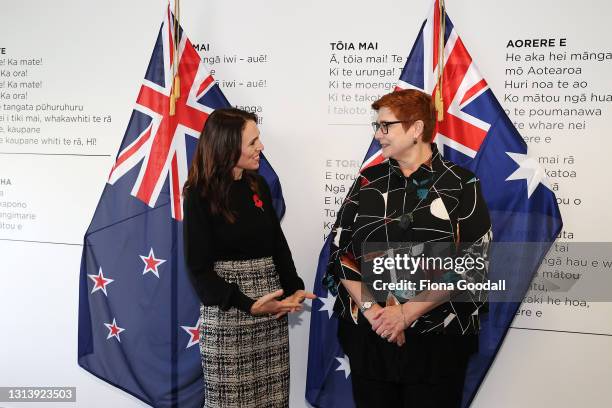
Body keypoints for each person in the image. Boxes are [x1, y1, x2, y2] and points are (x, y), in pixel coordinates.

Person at [323, 89, 492, 407]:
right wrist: (378, 314)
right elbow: (339, 252)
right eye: (377, 125)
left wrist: (405, 313)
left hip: (437, 342)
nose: (378, 134)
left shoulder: (461, 184)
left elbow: (474, 264)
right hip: (370, 337)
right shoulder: (367, 181)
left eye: (386, 126)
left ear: (416, 129)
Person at [182, 108, 315, 408]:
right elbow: (198, 270)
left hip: (271, 314)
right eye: (253, 142)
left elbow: (277, 245)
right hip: (229, 318)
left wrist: (293, 287)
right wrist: (248, 304)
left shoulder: (258, 185)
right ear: (228, 146)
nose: (261, 148)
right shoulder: (199, 195)